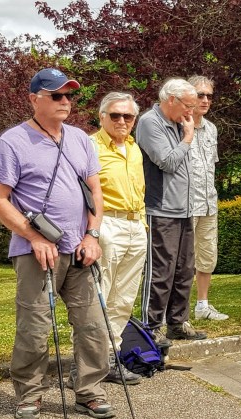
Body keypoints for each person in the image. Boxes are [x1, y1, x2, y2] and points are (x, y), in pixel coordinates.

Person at [0, 68, 115, 419]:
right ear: (34, 99)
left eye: (69, 95)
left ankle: (89, 391)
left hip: (80, 249)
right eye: (56, 95)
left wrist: (92, 235)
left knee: (93, 325)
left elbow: (95, 192)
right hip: (36, 252)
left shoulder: (80, 139)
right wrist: (34, 236)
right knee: (35, 326)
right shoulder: (13, 141)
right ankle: (29, 394)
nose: (65, 101)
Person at [137, 78, 207, 342]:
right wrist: (188, 138)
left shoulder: (180, 123)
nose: (191, 111)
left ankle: (178, 323)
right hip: (161, 209)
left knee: (184, 270)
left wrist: (185, 133)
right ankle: (151, 327)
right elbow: (167, 162)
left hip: (185, 208)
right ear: (171, 100)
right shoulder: (150, 122)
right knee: (160, 271)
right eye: (188, 105)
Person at [89, 92, 146, 385]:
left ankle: (111, 358)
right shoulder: (90, 146)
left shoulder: (134, 148)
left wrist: (143, 223)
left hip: (135, 225)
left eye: (128, 116)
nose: (122, 121)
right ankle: (86, 364)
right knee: (98, 296)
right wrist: (92, 231)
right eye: (115, 115)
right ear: (102, 117)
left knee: (123, 299)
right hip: (107, 223)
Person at [187, 75, 228, 321]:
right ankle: (178, 309)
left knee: (207, 256)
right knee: (182, 259)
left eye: (209, 96)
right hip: (185, 204)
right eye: (200, 95)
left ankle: (202, 305)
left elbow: (210, 167)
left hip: (208, 203)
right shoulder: (177, 126)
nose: (205, 100)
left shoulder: (212, 128)